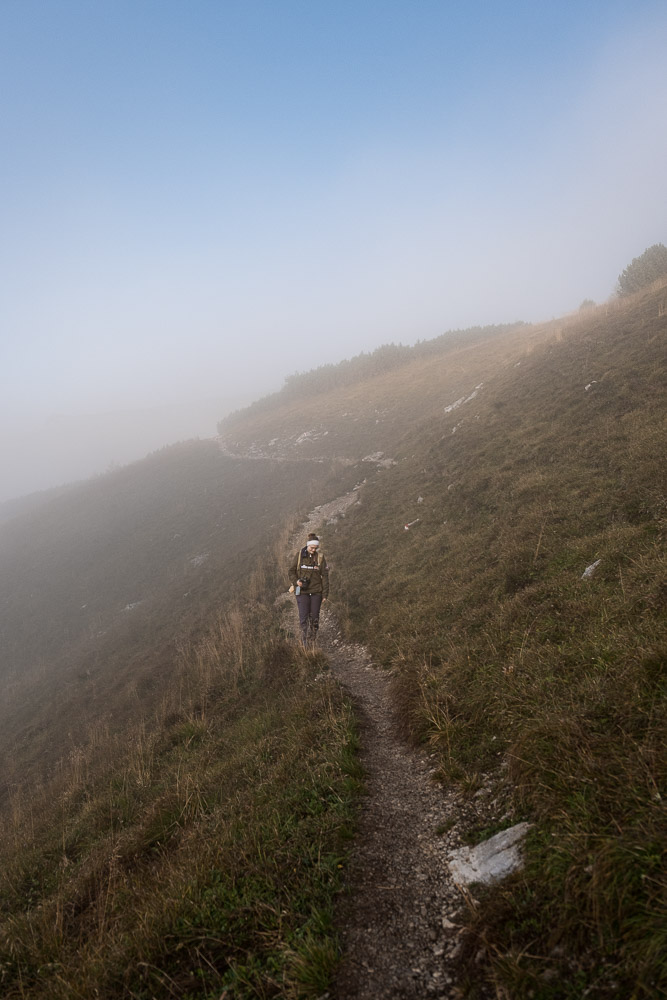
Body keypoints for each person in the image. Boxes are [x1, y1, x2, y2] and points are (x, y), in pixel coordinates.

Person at [288, 533, 329, 646]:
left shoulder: (320, 558)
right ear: (307, 546)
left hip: (316, 592)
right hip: (301, 591)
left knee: (315, 617)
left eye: (315, 548)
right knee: (303, 617)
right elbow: (291, 571)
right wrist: (296, 581)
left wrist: (325, 594)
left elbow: (325, 576)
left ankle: (313, 638)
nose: (313, 550)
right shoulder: (299, 556)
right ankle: (305, 643)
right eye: (312, 548)